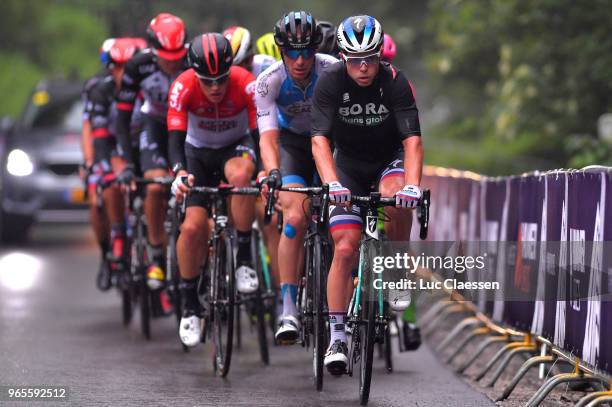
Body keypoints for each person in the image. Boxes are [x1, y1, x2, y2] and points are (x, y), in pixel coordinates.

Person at [310, 15, 423, 375]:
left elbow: (413, 142)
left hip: (387, 161)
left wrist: (413, 186)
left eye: (370, 58)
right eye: (355, 59)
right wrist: (332, 183)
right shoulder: (329, 82)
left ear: (379, 56)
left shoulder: (395, 82)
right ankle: (338, 336)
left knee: (396, 196)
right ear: (343, 56)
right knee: (345, 247)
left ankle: (397, 271)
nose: (363, 67)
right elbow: (319, 141)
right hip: (348, 167)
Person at [167, 33, 259, 347]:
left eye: (221, 79)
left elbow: (260, 131)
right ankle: (190, 303)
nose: (216, 87)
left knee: (242, 174)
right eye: (208, 81)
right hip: (197, 155)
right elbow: (174, 139)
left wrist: (263, 171)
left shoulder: (246, 82)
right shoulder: (182, 86)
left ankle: (244, 256)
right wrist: (178, 173)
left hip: (236, 147)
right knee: (192, 227)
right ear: (195, 75)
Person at [255, 11, 338, 344]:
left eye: (307, 51)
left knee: (342, 222)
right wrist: (273, 171)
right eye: (292, 51)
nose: (301, 60)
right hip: (292, 146)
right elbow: (267, 136)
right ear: (280, 50)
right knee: (293, 217)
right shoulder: (268, 81)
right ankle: (288, 307)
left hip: (330, 143)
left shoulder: (333, 69)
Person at [115, 13, 189, 290]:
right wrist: (127, 164)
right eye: (165, 55)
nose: (172, 61)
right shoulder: (137, 66)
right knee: (156, 187)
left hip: (188, 126)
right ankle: (157, 255)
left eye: (177, 55)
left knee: (197, 187)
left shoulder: (191, 60)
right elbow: (122, 120)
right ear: (151, 49)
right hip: (155, 125)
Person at [82, 37, 146, 290]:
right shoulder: (100, 90)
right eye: (116, 67)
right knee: (101, 190)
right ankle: (109, 246)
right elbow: (92, 133)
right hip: (109, 145)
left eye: (127, 66)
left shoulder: (147, 88)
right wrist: (91, 164)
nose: (122, 73)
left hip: (141, 145)